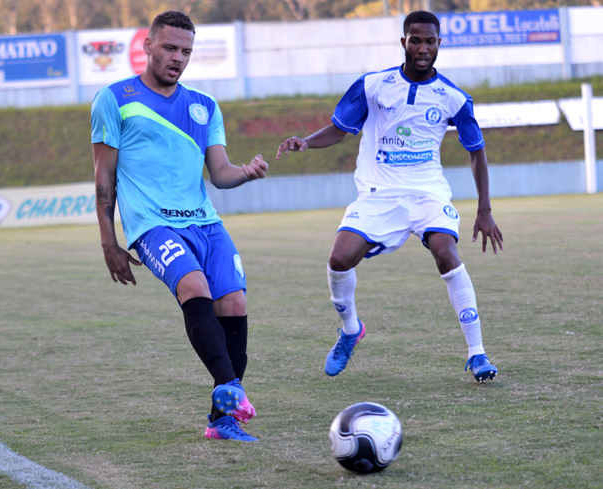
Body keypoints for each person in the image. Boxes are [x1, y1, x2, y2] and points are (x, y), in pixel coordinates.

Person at [276, 10, 503, 382]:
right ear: (404, 43)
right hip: (379, 193)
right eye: (415, 40)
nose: (423, 48)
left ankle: (477, 354)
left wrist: (485, 209)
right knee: (338, 259)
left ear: (439, 44)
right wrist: (306, 141)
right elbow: (339, 129)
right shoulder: (373, 85)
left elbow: (476, 150)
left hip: (428, 192)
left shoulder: (454, 98)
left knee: (446, 253)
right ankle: (351, 330)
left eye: (430, 41)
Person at [91, 10, 268, 441]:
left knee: (235, 305)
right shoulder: (114, 99)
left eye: (185, 51)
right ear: (148, 44)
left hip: (205, 223)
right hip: (153, 226)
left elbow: (220, 173)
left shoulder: (205, 107)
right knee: (194, 288)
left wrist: (245, 171)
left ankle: (221, 419)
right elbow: (103, 177)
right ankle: (231, 390)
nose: (177, 58)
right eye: (169, 48)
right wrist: (108, 242)